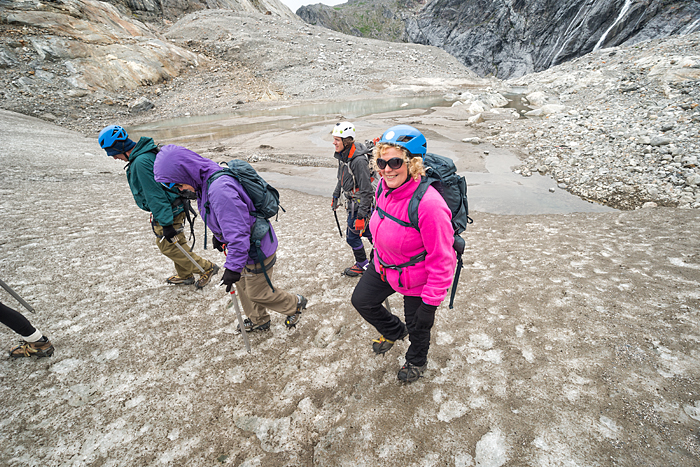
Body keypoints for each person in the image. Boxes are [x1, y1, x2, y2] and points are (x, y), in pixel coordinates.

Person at [152, 146, 307, 332]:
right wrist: (220, 236)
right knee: (242, 284)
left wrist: (232, 266)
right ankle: (258, 319)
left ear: (186, 172)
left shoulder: (219, 188)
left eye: (179, 185)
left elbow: (239, 232)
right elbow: (225, 217)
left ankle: (295, 304)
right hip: (241, 247)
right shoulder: (204, 181)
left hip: (255, 247)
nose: (182, 191)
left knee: (257, 292)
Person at [351, 125, 456, 383]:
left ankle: (416, 360)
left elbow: (443, 259)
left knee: (420, 326)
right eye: (381, 162)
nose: (386, 169)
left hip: (417, 279)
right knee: (362, 301)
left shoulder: (429, 205)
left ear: (413, 164)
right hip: (384, 266)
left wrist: (430, 305)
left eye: (395, 161)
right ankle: (396, 331)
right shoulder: (383, 188)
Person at [98, 125, 219, 289]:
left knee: (168, 246)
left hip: (170, 210)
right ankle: (185, 275)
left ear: (120, 146)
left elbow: (154, 195)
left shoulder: (140, 162)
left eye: (113, 153)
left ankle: (206, 268)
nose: (114, 157)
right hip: (175, 206)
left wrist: (166, 223)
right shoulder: (146, 153)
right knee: (177, 242)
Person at [330, 122, 375, 276]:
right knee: (371, 234)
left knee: (352, 237)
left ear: (347, 141)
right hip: (353, 203)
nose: (334, 142)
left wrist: (362, 216)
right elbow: (341, 178)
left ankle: (364, 265)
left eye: (337, 139)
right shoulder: (344, 156)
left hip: (359, 205)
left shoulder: (358, 161)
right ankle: (380, 260)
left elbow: (367, 191)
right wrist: (336, 196)